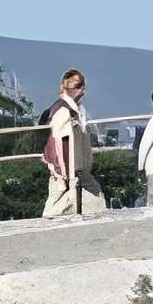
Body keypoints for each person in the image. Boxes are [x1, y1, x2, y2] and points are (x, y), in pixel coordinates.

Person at [40, 69, 105, 217]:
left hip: (75, 169)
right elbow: (58, 143)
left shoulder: (70, 108)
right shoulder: (63, 110)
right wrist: (64, 173)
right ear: (80, 89)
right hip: (67, 171)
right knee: (56, 207)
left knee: (93, 202)